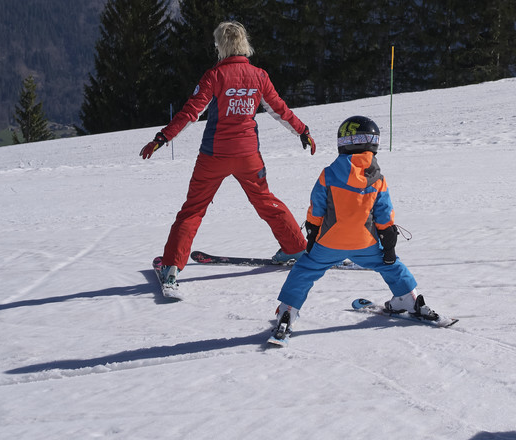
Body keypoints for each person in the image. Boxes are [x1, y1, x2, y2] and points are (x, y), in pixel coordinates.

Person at [142, 21, 316, 299]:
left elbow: (190, 113)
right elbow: (279, 109)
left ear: (220, 46)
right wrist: (302, 131)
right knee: (266, 201)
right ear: (244, 44)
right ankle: (296, 247)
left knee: (193, 210)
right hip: (249, 156)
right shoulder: (258, 75)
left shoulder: (214, 75)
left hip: (214, 156)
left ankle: (172, 267)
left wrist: (162, 138)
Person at [269, 116, 440, 344]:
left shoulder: (328, 174)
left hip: (328, 243)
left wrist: (312, 233)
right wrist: (388, 245)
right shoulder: (377, 179)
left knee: (304, 270)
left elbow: (316, 210)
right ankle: (409, 299)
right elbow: (384, 216)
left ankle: (287, 312)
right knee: (390, 265)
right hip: (365, 243)